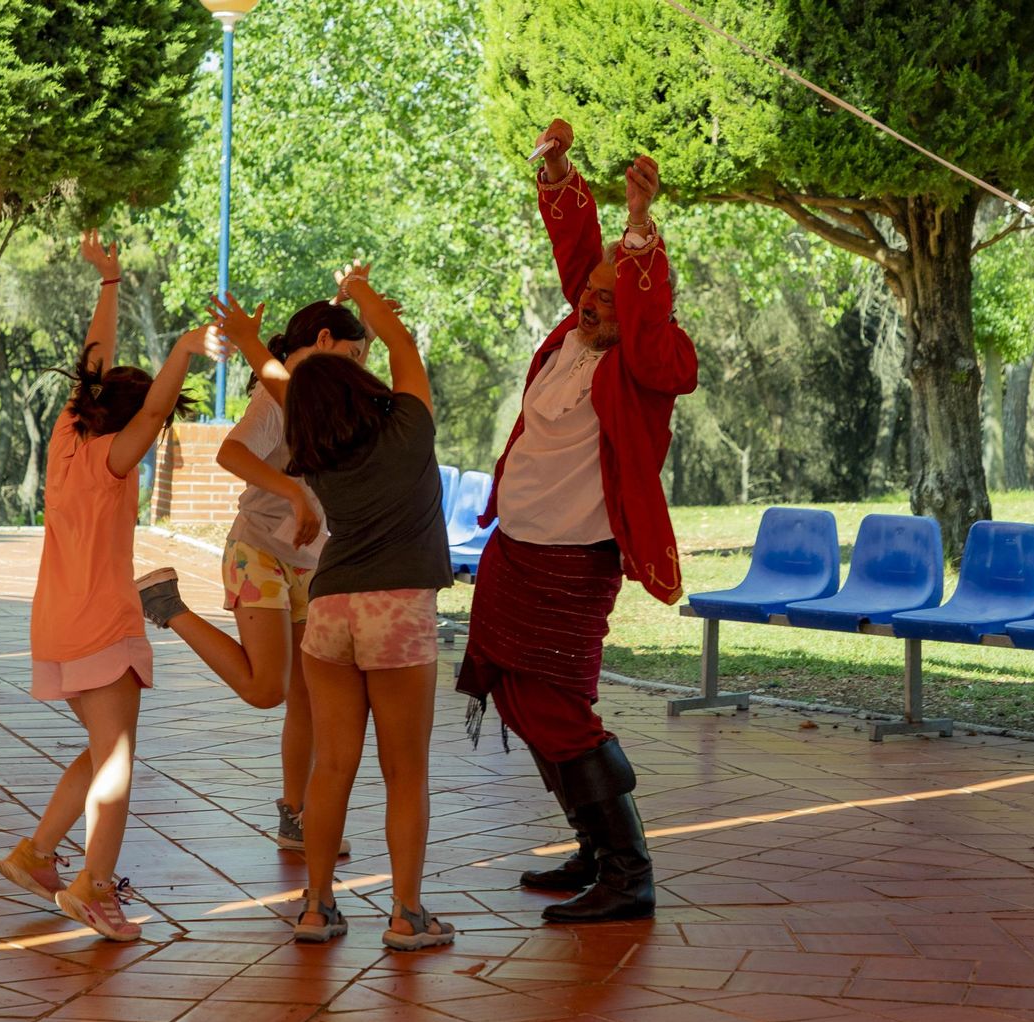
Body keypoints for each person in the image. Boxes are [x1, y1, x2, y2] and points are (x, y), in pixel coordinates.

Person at [456, 119, 697, 924]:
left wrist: (636, 226)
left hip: (572, 562)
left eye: (609, 294)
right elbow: (577, 253)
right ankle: (594, 847)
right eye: (586, 293)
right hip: (515, 552)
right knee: (519, 700)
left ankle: (630, 872)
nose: (592, 301)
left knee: (558, 709)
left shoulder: (646, 365)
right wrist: (559, 171)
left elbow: (639, 299)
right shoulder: (571, 334)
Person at [211, 263, 456, 950]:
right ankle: (406, 915)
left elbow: (287, 385)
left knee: (331, 765)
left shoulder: (317, 447)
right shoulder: (409, 424)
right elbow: (399, 343)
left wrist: (253, 343)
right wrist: (359, 290)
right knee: (405, 770)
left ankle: (316, 907)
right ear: (366, 380)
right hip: (397, 609)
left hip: (330, 610)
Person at [0, 230, 222, 942]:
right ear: (128, 421)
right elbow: (153, 414)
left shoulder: (68, 435)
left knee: (100, 750)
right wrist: (183, 349)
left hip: (57, 624)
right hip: (103, 628)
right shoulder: (114, 461)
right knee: (117, 762)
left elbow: (90, 365)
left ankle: (35, 854)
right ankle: (92, 886)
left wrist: (110, 282)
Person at [135, 299, 371, 857]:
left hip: (311, 563)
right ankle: (168, 606)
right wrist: (290, 489)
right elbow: (231, 452)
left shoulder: (326, 394)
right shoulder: (277, 393)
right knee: (268, 689)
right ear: (323, 340)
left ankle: (296, 814)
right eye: (356, 353)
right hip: (257, 553)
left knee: (308, 699)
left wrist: (360, 303)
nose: (361, 367)